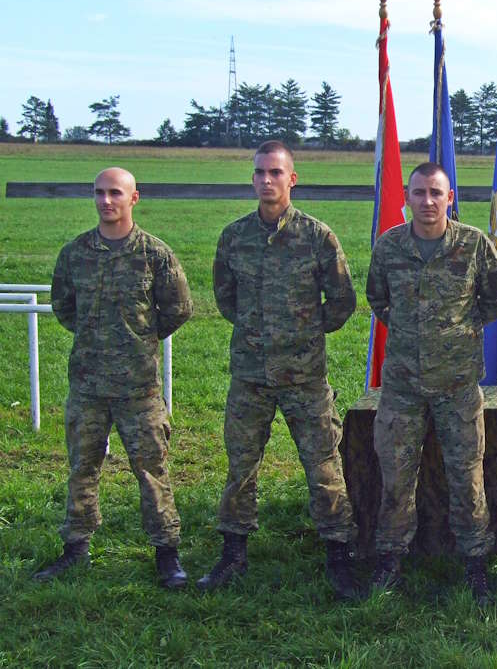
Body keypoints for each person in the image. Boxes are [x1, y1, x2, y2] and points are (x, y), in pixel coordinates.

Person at [201, 141, 360, 599]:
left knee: (324, 466)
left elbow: (343, 300)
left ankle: (339, 555)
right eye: (259, 173)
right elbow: (225, 298)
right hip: (250, 375)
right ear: (252, 179)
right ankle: (233, 553)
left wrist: (304, 333)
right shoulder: (234, 237)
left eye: (275, 172)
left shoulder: (317, 237)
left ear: (292, 178)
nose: (266, 180)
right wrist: (259, 333)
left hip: (304, 377)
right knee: (241, 467)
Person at [36, 167, 193, 589]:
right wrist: (96, 339)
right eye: (100, 193)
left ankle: (167, 552)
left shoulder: (154, 254)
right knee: (81, 468)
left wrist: (139, 338)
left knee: (152, 470)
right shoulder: (75, 253)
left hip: (138, 388)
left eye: (116, 193)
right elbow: (63, 306)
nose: (107, 201)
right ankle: (75, 547)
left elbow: (178, 308)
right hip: (87, 384)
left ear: (133, 198)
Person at [365, 162, 497, 605]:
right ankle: (390, 559)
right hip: (403, 386)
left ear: (450, 198)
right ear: (407, 198)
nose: (427, 201)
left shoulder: (473, 245)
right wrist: (416, 334)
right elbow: (378, 299)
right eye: (419, 193)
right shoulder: (389, 247)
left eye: (436, 193)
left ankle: (475, 563)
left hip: (458, 384)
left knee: (467, 478)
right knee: (396, 477)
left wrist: (453, 334)